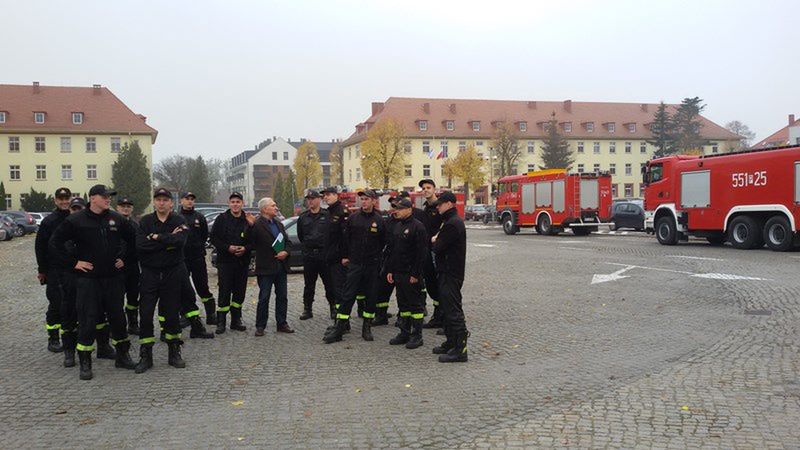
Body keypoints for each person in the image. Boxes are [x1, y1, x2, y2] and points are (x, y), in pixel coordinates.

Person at [50, 184, 137, 380]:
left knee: (118, 318)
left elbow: (133, 240)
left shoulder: (117, 219)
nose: (108, 199)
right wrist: (73, 263)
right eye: (105, 196)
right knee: (88, 320)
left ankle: (122, 355)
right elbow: (54, 243)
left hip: (113, 278)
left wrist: (125, 258)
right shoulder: (76, 220)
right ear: (93, 198)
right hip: (88, 280)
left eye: (109, 196)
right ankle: (85, 362)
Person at [134, 188, 190, 373]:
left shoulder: (179, 220)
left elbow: (180, 242)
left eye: (165, 200)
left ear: (171, 203)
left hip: (171, 273)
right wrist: (168, 240)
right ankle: (146, 355)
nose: (161, 203)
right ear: (154, 202)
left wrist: (157, 237)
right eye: (158, 199)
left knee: (172, 314)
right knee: (146, 313)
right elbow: (141, 245)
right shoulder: (146, 221)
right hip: (149, 274)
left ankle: (174, 351)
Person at [323, 189, 386, 344]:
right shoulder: (353, 218)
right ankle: (340, 328)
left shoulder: (379, 220)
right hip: (355, 264)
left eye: (366, 199)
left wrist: (379, 260)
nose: (363, 202)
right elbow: (346, 240)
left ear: (373, 201)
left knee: (371, 297)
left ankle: (367, 327)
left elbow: (384, 242)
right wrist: (345, 256)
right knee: (348, 295)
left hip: (372, 265)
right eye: (362, 199)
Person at [384, 198, 428, 349]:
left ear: (409, 209)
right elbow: (392, 251)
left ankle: (417, 335)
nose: (397, 211)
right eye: (396, 208)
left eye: (401, 209)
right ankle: (404, 332)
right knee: (403, 305)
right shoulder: (397, 226)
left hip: (411, 274)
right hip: (398, 272)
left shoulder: (418, 227)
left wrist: (415, 274)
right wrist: (390, 270)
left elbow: (421, 254)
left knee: (415, 305)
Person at [430, 191, 469, 362]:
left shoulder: (452, 223)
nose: (437, 206)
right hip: (447, 270)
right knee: (446, 308)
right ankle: (451, 342)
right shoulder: (449, 221)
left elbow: (438, 247)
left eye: (440, 203)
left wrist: (434, 240)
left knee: (453, 310)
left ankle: (460, 349)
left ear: (450, 204)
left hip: (451, 272)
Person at [210, 192, 255, 334]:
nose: (235, 204)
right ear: (229, 204)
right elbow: (214, 239)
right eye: (233, 202)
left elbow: (254, 241)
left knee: (239, 292)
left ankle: (236, 320)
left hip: (242, 262)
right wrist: (227, 248)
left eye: (238, 202)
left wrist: (245, 248)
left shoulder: (247, 220)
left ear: (242, 203)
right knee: (224, 291)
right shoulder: (221, 219)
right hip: (225, 262)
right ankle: (221, 322)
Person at [35, 187, 72, 353]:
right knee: (56, 304)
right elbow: (40, 247)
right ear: (55, 200)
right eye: (61, 199)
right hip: (54, 270)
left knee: (70, 303)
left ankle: (69, 336)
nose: (64, 201)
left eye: (66, 198)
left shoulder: (75, 218)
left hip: (71, 269)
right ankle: (53, 338)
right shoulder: (49, 221)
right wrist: (42, 270)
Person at [248, 197, 294, 335]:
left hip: (281, 266)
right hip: (266, 267)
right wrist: (249, 226)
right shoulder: (257, 224)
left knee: (282, 296)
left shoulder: (279, 224)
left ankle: (282, 323)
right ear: (264, 209)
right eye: (273, 205)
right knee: (264, 297)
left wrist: (286, 251)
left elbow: (288, 242)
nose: (276, 207)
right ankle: (260, 326)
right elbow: (250, 241)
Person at [56, 197, 86, 367]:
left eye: (79, 209)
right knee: (68, 316)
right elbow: (56, 250)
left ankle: (97, 347)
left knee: (89, 316)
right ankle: (69, 352)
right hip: (68, 278)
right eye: (74, 209)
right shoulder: (65, 229)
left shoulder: (90, 227)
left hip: (88, 279)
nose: (76, 212)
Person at [179, 191, 216, 325]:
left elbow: (204, 235)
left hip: (198, 258)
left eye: (192, 199)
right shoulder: (176, 217)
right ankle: (185, 315)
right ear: (181, 201)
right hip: (182, 259)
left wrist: (198, 247)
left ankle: (211, 314)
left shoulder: (199, 217)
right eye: (187, 199)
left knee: (202, 287)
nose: (190, 201)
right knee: (183, 288)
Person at [297, 190, 334, 320]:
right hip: (309, 256)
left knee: (329, 284)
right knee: (309, 284)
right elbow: (301, 236)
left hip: (324, 255)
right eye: (308, 199)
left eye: (313, 198)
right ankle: (307, 309)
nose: (310, 201)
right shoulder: (303, 217)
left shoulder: (327, 215)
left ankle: (333, 308)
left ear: (319, 199)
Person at [418, 179, 444, 330]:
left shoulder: (439, 207)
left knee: (440, 283)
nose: (425, 190)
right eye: (423, 188)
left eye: (428, 187)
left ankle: (442, 317)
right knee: (431, 284)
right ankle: (437, 314)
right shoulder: (425, 209)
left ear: (434, 189)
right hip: (426, 250)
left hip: (437, 251)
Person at [115, 196, 141, 335]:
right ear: (117, 207)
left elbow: (138, 246)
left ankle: (133, 324)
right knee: (116, 299)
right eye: (123, 206)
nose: (125, 208)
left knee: (133, 297)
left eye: (128, 206)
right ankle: (117, 326)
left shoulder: (136, 225)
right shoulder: (111, 223)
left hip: (131, 266)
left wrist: (127, 259)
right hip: (115, 268)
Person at [321, 187, 347, 321]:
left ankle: (343, 321)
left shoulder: (341, 211)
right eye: (324, 196)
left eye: (328, 195)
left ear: (336, 195)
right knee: (332, 288)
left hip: (338, 258)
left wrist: (344, 255)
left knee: (339, 289)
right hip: (329, 257)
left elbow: (345, 237)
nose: (326, 197)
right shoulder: (328, 212)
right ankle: (339, 319)